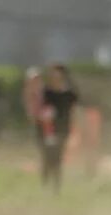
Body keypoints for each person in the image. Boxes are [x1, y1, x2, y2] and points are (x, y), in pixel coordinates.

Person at [38, 64, 78, 192]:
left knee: (58, 157)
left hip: (63, 129)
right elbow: (42, 108)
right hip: (48, 129)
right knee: (47, 156)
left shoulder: (70, 93)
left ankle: (56, 186)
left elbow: (74, 110)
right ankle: (45, 183)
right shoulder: (47, 92)